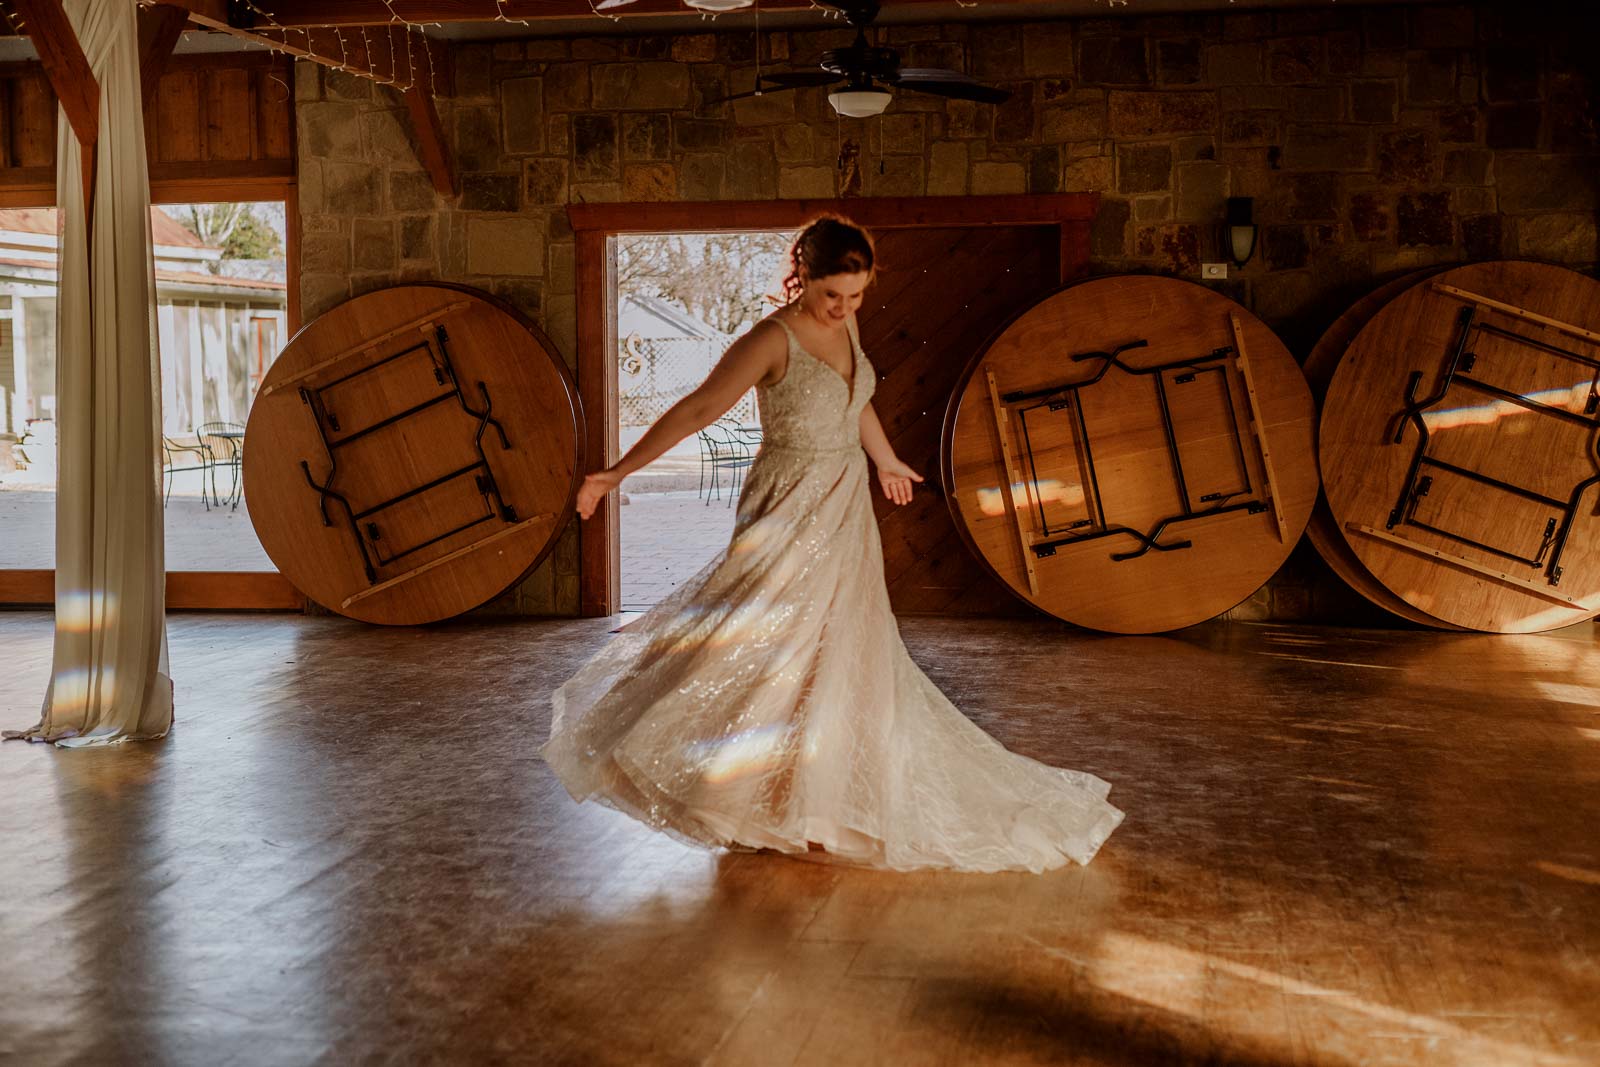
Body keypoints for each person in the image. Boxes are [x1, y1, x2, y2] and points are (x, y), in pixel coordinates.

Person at [541, 216, 1124, 873]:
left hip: (845, 505)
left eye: (857, 296)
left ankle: (808, 800)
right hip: (787, 501)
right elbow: (699, 408)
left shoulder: (846, 323)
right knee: (757, 638)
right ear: (804, 275)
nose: (845, 308)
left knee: (839, 650)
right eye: (832, 296)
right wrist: (618, 472)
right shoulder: (770, 339)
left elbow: (858, 403)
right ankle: (670, 758)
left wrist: (885, 462)